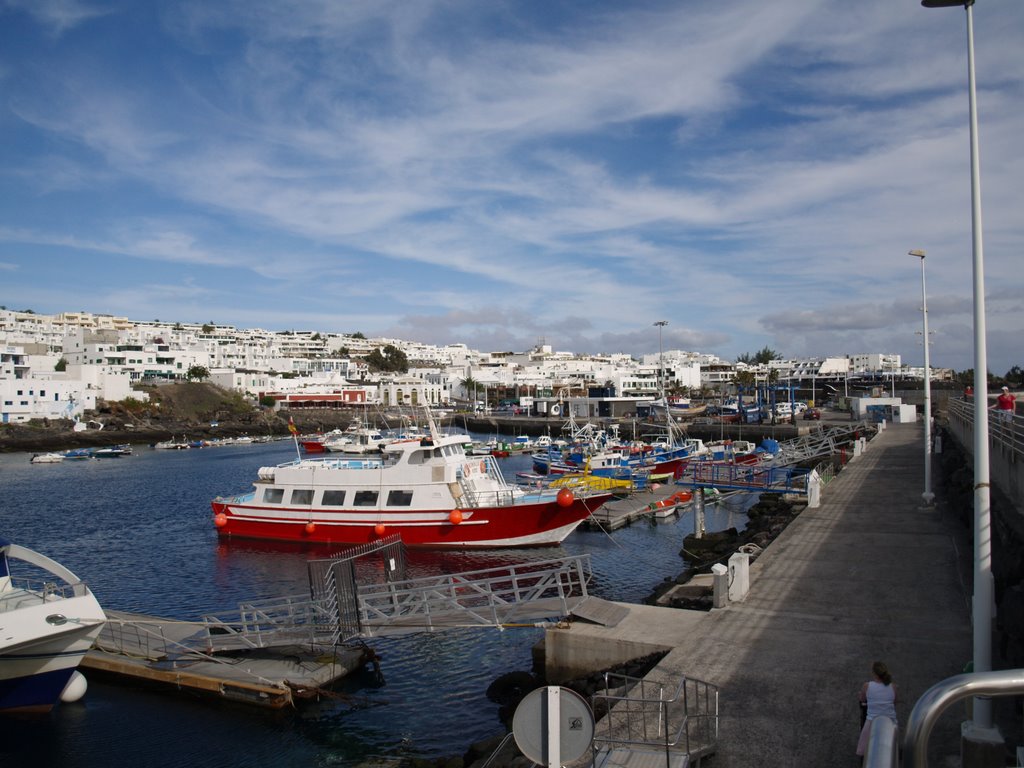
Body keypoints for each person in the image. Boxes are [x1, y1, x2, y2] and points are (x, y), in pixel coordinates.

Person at [856, 661, 899, 758]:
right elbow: (895, 702)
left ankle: (864, 755)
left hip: (872, 720)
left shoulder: (867, 686)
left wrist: (861, 696)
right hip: (890, 721)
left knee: (865, 740)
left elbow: (863, 699)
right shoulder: (893, 686)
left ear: (874, 673)